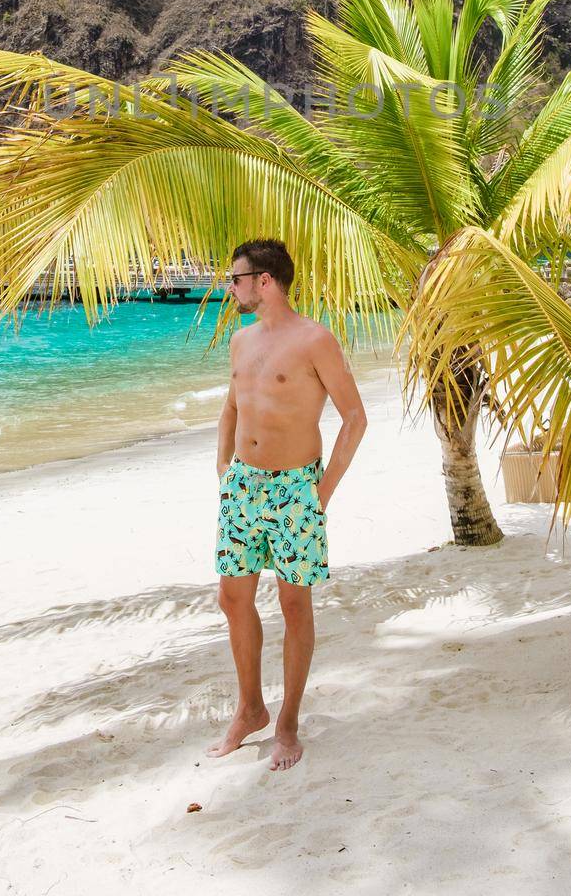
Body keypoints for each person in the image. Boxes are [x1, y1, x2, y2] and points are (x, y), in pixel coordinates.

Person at [208, 238, 367, 771]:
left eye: (236, 278)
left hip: (295, 487)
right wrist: (222, 469)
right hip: (243, 487)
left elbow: (354, 418)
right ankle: (250, 708)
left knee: (294, 604)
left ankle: (288, 723)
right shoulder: (240, 340)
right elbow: (233, 404)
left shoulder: (314, 341)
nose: (230, 286)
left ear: (265, 281)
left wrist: (320, 496)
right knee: (232, 599)